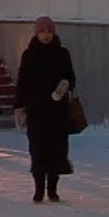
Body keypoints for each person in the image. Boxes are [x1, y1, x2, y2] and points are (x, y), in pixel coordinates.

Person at [13, 16, 76, 203]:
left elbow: (71, 77)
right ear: (37, 33)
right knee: (38, 150)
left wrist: (64, 85)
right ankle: (39, 189)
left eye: (49, 31)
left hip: (57, 111)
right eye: (43, 31)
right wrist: (19, 106)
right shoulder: (29, 54)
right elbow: (22, 82)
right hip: (37, 111)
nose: (46, 35)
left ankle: (53, 190)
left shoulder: (62, 53)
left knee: (56, 150)